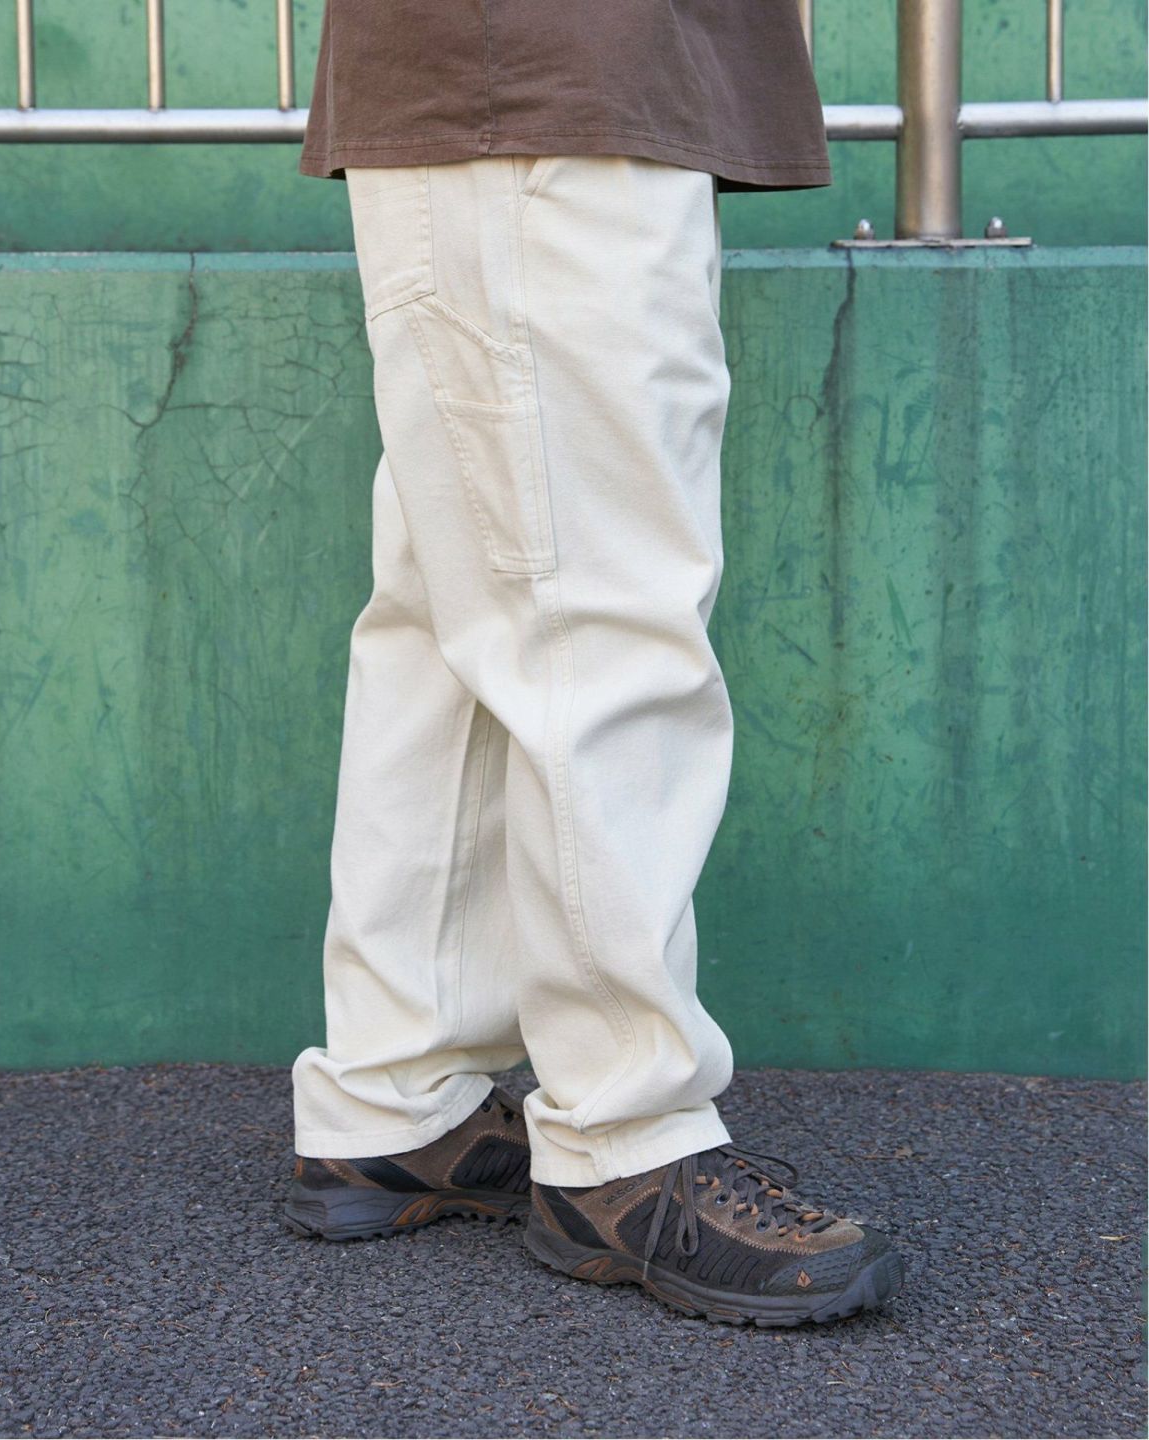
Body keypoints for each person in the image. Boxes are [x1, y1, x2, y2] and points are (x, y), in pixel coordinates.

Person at [283, 0, 905, 1327]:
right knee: (602, 611)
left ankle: (397, 1093)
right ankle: (626, 1137)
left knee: (462, 618)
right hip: (552, 70)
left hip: (517, 80)